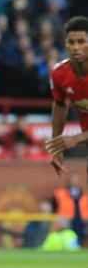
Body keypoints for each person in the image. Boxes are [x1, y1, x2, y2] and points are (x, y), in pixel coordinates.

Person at [45, 16, 88, 188]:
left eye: (81, 42)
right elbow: (60, 104)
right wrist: (57, 146)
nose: (76, 47)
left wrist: (78, 139)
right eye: (71, 42)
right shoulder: (59, 74)